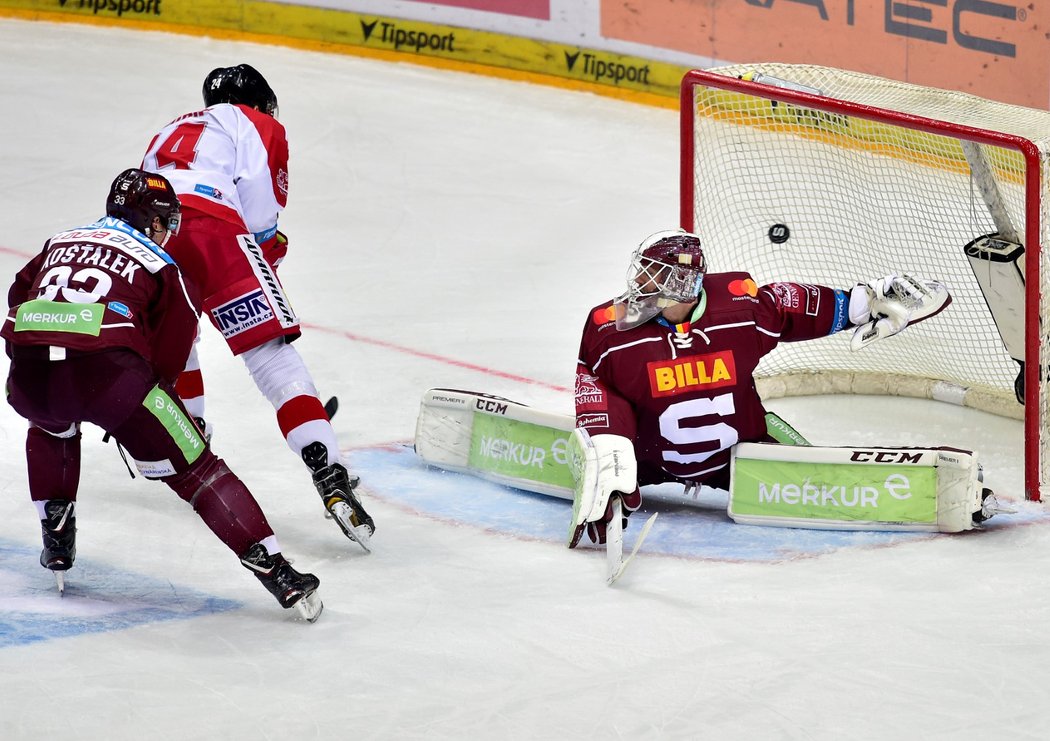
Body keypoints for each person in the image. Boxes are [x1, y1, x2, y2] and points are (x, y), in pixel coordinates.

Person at [2, 169, 323, 621]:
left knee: (52, 422)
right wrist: (146, 407)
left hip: (29, 370)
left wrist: (37, 365)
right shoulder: (157, 261)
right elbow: (174, 348)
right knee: (200, 471)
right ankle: (278, 574)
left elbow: (19, 295)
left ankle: (56, 538)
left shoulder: (61, 239)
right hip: (114, 378)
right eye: (166, 221)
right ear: (151, 221)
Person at [568, 228, 952, 547]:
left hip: (742, 454)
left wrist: (872, 301)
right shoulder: (610, 326)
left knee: (822, 489)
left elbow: (806, 309)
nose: (637, 282)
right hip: (647, 456)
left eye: (650, 274)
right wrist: (608, 452)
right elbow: (594, 378)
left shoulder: (741, 307)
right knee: (610, 457)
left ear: (680, 283)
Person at [139, 63, 373, 548]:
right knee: (270, 356)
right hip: (216, 230)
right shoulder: (260, 124)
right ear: (260, 100)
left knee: (180, 341)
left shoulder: (170, 128)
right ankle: (326, 466)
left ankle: (190, 432)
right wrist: (266, 250)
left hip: (153, 238)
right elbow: (261, 210)